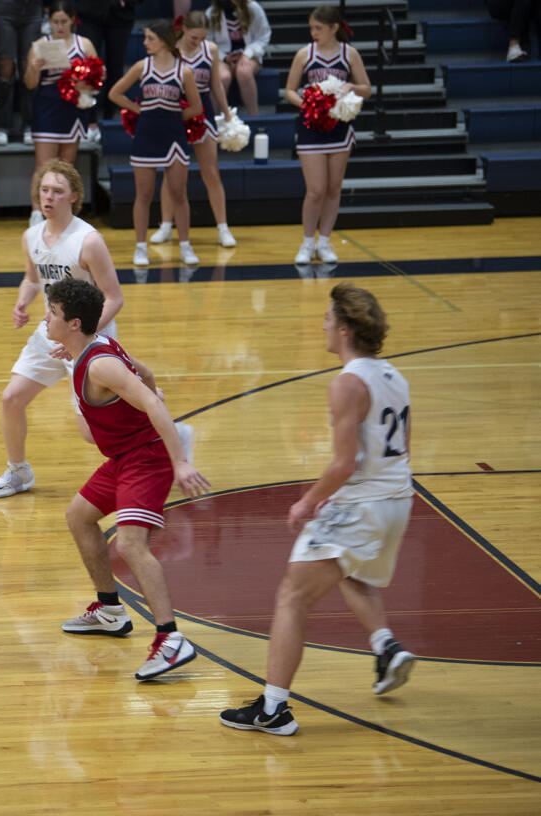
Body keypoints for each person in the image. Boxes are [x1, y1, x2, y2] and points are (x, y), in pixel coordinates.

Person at [219, 283, 417, 735]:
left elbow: (345, 463)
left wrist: (309, 499)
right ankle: (386, 646)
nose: (323, 325)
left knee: (292, 596)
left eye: (328, 319)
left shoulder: (347, 383)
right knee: (351, 570)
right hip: (397, 501)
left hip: (363, 504)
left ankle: (274, 708)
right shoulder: (394, 376)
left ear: (345, 329)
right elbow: (400, 449)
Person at [44, 276, 211, 680]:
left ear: (74, 323)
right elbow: (147, 374)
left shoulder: (101, 363)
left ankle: (170, 639)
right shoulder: (93, 348)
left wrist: (181, 462)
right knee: (78, 516)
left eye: (52, 313)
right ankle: (110, 610)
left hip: (146, 458)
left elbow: (153, 400)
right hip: (123, 456)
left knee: (132, 544)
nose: (45, 318)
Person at [0, 160, 120, 498]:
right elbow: (33, 279)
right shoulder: (31, 235)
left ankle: (162, 434)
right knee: (11, 398)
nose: (49, 197)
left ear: (73, 196)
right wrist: (22, 302)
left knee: (91, 432)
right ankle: (18, 472)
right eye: (45, 190)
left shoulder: (89, 241)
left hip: (89, 340)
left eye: (57, 191)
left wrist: (82, 336)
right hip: (50, 333)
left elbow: (114, 298)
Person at [109, 19, 204, 268]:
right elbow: (114, 93)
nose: (145, 42)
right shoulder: (142, 67)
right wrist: (138, 109)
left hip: (174, 136)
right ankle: (141, 248)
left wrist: (171, 116)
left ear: (164, 40)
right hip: (146, 135)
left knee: (178, 193)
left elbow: (197, 107)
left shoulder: (184, 71)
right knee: (143, 194)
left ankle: (185, 245)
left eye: (150, 38)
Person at [284, 5, 371, 266]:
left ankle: (324, 242)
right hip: (311, 127)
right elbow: (289, 90)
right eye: (311, 27)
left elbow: (367, 89)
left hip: (339, 128)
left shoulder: (350, 54)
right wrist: (309, 106)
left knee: (333, 189)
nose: (313, 32)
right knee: (316, 190)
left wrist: (350, 87)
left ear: (334, 28)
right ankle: (307, 243)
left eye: (318, 28)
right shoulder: (304, 54)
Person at [151, 12, 237, 251]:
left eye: (202, 38)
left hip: (203, 112)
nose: (197, 42)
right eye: (193, 37)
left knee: (211, 172)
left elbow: (216, 84)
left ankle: (223, 228)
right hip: (175, 112)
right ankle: (166, 226)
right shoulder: (169, 49)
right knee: (173, 174)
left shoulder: (210, 50)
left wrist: (227, 113)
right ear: (183, 29)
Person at [23, 1, 97, 224]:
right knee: (43, 165)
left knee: (66, 165)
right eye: (55, 22)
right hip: (47, 107)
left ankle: (64, 212)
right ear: (49, 21)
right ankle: (37, 212)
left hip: (73, 109)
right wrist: (34, 67)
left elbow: (98, 79)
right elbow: (29, 84)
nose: (60, 26)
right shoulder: (39, 45)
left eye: (64, 21)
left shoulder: (84, 44)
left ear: (72, 21)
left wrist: (84, 82)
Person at [73, 0, 136, 122]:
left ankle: (109, 119)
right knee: (88, 67)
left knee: (115, 68)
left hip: (120, 14)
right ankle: (89, 121)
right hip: (88, 12)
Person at [0, 0, 40, 147]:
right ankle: (2, 126)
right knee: (5, 65)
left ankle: (29, 124)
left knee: (29, 64)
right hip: (5, 7)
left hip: (33, 8)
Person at [209, 0, 271, 115]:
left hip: (249, 54)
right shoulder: (212, 12)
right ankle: (214, 120)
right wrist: (224, 57)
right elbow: (208, 42)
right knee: (223, 77)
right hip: (223, 56)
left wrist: (247, 54)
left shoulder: (253, 8)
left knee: (244, 71)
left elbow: (263, 36)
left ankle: (254, 117)